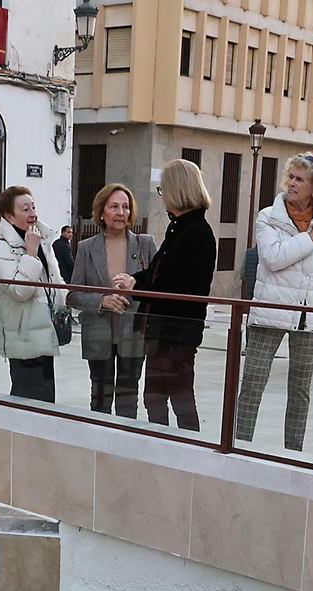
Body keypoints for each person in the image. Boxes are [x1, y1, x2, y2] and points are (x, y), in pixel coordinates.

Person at [235, 153, 313, 451]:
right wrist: (311, 237)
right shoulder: (268, 217)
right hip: (269, 312)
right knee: (252, 385)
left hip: (309, 318)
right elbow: (272, 259)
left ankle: (293, 454)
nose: (292, 183)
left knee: (300, 390)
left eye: (300, 179)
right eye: (291, 177)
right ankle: (239, 447)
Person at [112, 159, 216, 431]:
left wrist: (137, 288)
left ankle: (189, 451)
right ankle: (163, 447)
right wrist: (134, 279)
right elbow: (160, 271)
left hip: (177, 334)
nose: (162, 197)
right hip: (161, 332)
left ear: (178, 190)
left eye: (163, 190)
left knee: (179, 398)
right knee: (154, 397)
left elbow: (178, 288)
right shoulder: (179, 227)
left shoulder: (197, 233)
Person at [67, 185, 157, 419]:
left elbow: (158, 289)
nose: (121, 212)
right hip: (98, 335)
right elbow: (73, 294)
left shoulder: (145, 244)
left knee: (129, 400)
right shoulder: (86, 248)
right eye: (114, 206)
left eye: (126, 207)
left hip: (134, 334)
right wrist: (102, 301)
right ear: (102, 212)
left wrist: (135, 286)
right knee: (100, 399)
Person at [0, 185, 65, 403]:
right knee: (27, 401)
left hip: (44, 334)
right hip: (22, 338)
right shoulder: (2, 249)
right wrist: (31, 253)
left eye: (33, 207)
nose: (33, 214)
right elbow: (19, 290)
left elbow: (54, 282)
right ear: (9, 216)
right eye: (25, 209)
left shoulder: (41, 242)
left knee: (46, 400)